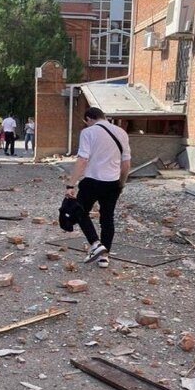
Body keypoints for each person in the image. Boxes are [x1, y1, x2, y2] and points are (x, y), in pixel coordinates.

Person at [65, 107, 131, 269]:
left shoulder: (88, 132)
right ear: (103, 116)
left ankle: (95, 243)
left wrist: (71, 184)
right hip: (113, 182)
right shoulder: (121, 132)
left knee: (79, 211)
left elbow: (82, 160)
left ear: (88, 119)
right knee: (107, 218)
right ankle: (104, 257)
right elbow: (126, 163)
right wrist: (121, 183)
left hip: (92, 181)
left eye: (86, 122)